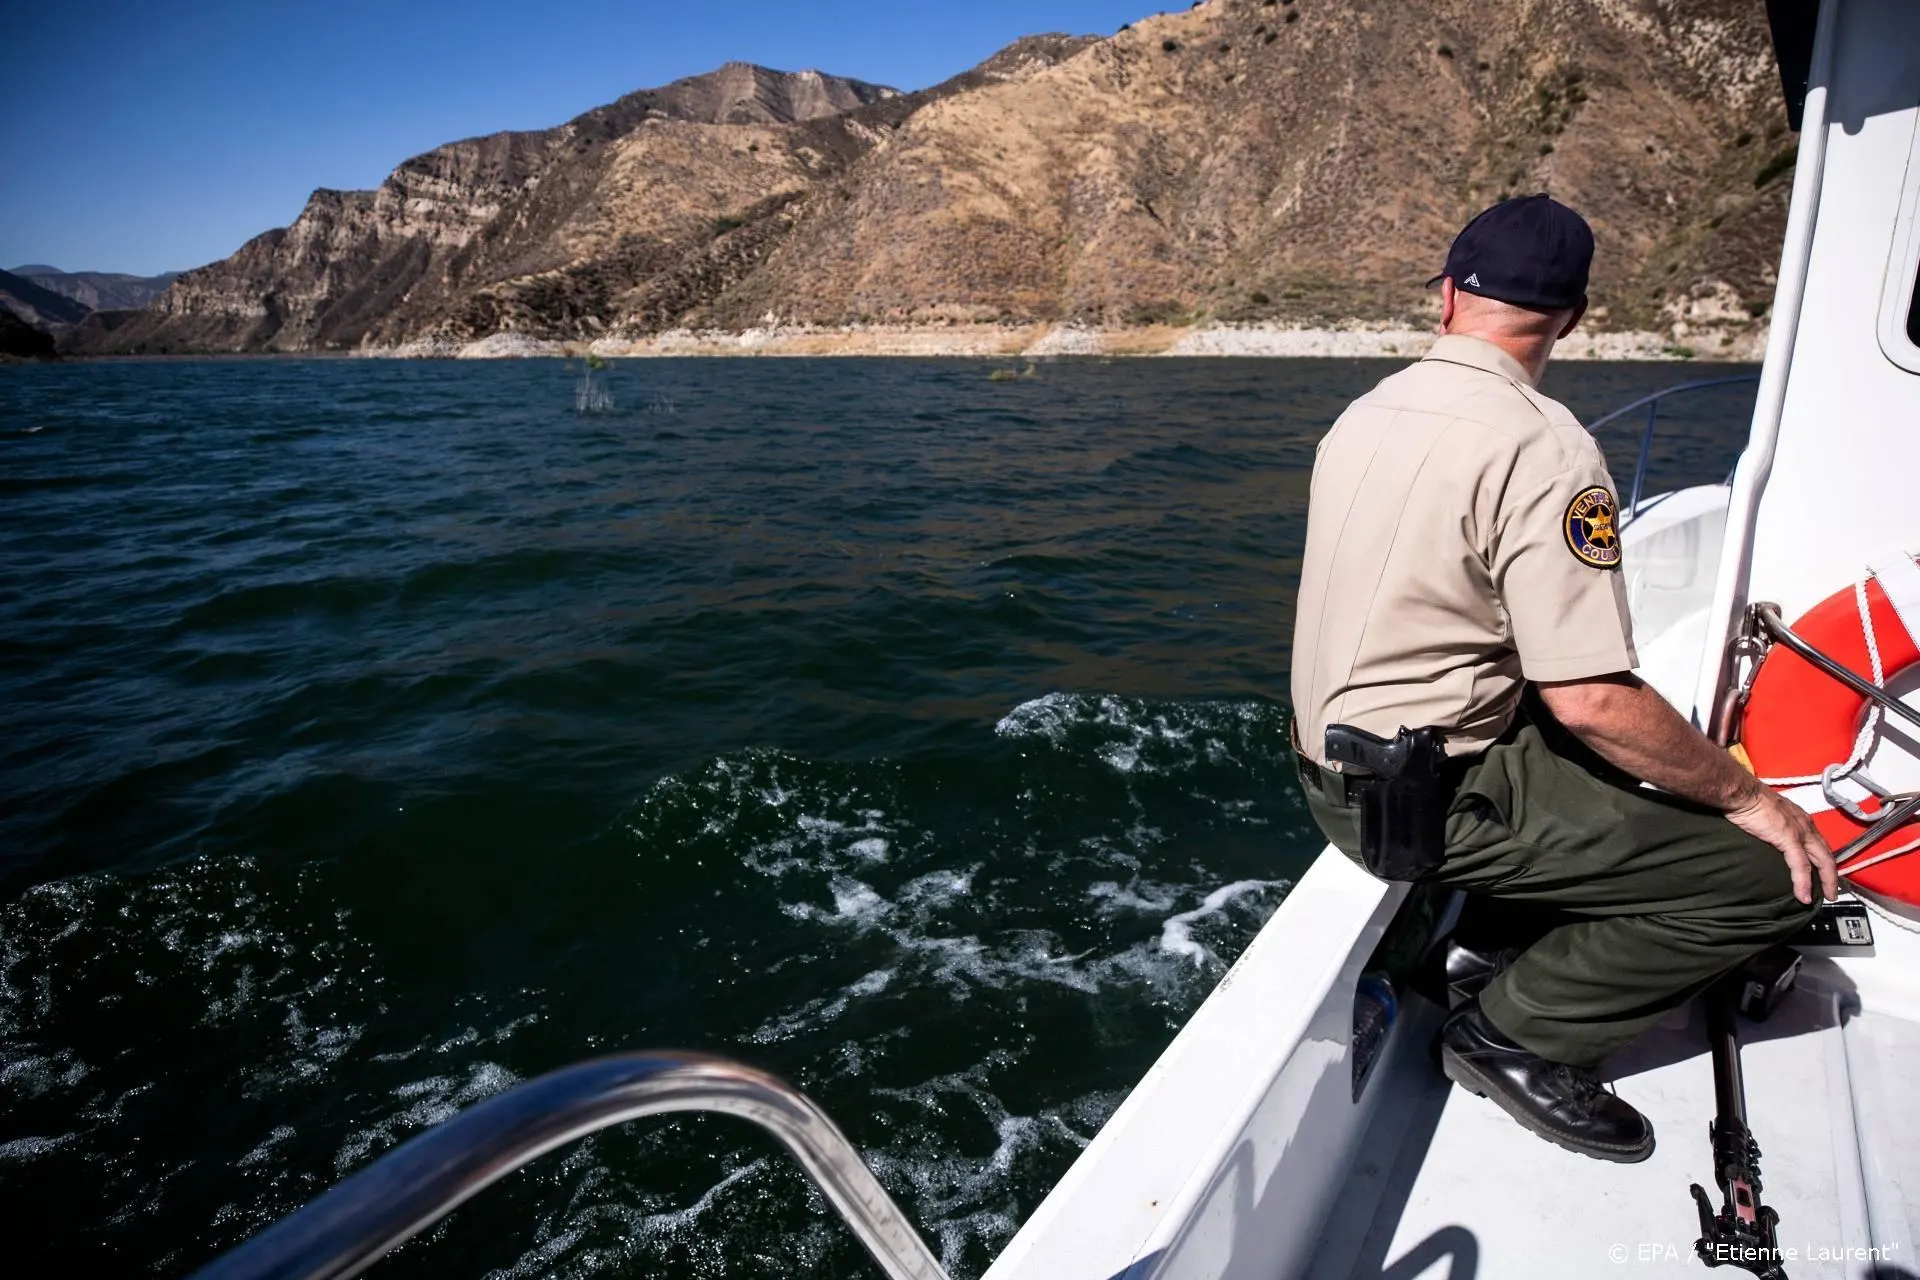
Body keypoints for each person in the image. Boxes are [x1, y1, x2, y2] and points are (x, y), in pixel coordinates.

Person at [1288, 194, 1835, 1163]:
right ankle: (1519, 1034)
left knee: (1633, 771)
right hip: (1431, 798)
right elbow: (1591, 696)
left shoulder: (1364, 412)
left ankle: (1480, 945)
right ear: (1574, 318)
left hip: (1339, 763)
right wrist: (1755, 800)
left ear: (1449, 297)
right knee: (1766, 883)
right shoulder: (1543, 445)